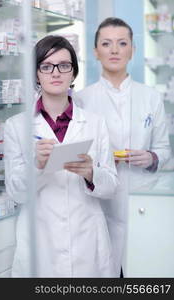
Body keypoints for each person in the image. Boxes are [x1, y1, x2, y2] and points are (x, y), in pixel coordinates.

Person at [4, 35, 119, 277]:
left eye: (64, 66)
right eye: (46, 66)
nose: (55, 73)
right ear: (36, 74)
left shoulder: (95, 124)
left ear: (73, 73)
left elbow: (111, 187)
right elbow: (16, 192)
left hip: (87, 245)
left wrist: (91, 173)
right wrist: (37, 166)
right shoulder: (16, 126)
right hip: (41, 244)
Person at [73, 17, 171, 276]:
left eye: (121, 43)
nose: (114, 50)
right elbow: (75, 154)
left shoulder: (150, 96)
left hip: (143, 203)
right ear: (96, 51)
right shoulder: (81, 99)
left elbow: (164, 149)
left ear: (132, 50)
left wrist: (150, 157)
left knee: (144, 272)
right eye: (106, 43)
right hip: (98, 207)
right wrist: (99, 161)